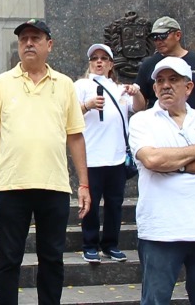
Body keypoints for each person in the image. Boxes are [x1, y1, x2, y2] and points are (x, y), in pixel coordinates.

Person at [0, 19, 91, 305]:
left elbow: (75, 137)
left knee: (52, 259)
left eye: (35, 38)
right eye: (23, 39)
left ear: (48, 45)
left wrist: (84, 184)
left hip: (54, 186)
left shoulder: (65, 85)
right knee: (8, 260)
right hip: (11, 187)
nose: (28, 43)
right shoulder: (1, 84)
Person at [128, 56, 195, 304]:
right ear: (154, 88)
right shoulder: (141, 121)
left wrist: (174, 163)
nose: (166, 85)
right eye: (160, 81)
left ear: (188, 87)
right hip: (161, 231)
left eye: (174, 80)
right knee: (156, 300)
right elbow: (153, 160)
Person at [74, 44, 145, 263]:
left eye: (104, 58)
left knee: (115, 204)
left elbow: (140, 108)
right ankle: (90, 244)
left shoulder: (119, 88)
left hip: (116, 157)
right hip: (92, 157)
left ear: (111, 64)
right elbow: (68, 115)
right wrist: (87, 105)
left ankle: (111, 244)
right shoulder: (82, 85)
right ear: (89, 63)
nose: (99, 62)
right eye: (94, 58)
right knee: (91, 204)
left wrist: (137, 92)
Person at [135, 16, 195, 111]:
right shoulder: (148, 64)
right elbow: (140, 103)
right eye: (155, 37)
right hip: (160, 123)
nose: (158, 41)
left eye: (163, 36)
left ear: (178, 35)